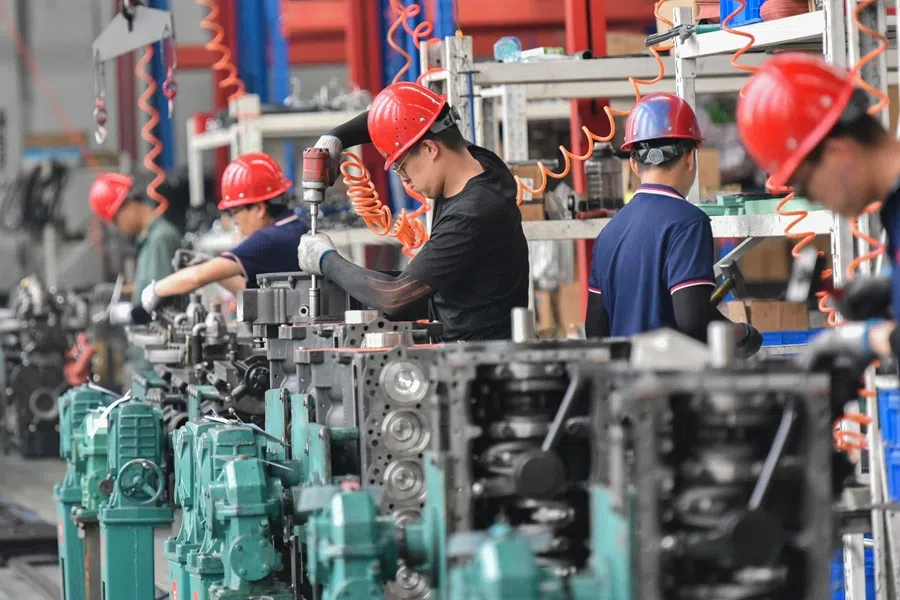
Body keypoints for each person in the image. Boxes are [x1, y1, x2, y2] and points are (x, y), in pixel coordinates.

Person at [296, 81, 529, 342]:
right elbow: (409, 118)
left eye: (402, 166)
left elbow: (395, 296)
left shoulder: (474, 212)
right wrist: (337, 137)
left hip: (480, 363)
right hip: (457, 336)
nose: (405, 180)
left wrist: (325, 259)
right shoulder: (483, 164)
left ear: (430, 149)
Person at [737, 53, 900, 363]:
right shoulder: (893, 207)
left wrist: (865, 339)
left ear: (839, 153)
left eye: (804, 183)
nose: (811, 198)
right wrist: (889, 290)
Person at [585, 92, 762, 356]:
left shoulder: (609, 232)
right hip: (672, 386)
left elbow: (595, 330)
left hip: (622, 385)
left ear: (633, 164)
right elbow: (693, 319)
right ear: (691, 157)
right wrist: (743, 333)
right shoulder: (689, 222)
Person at [140, 152, 307, 313]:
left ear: (259, 209)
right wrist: (210, 266)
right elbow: (248, 291)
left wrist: (155, 291)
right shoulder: (295, 227)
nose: (235, 221)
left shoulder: (268, 239)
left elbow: (196, 278)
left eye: (235, 211)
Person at [89, 172, 181, 324]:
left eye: (116, 221)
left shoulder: (160, 239)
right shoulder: (147, 239)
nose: (118, 228)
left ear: (129, 206)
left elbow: (160, 293)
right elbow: (150, 285)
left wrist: (129, 314)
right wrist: (121, 291)